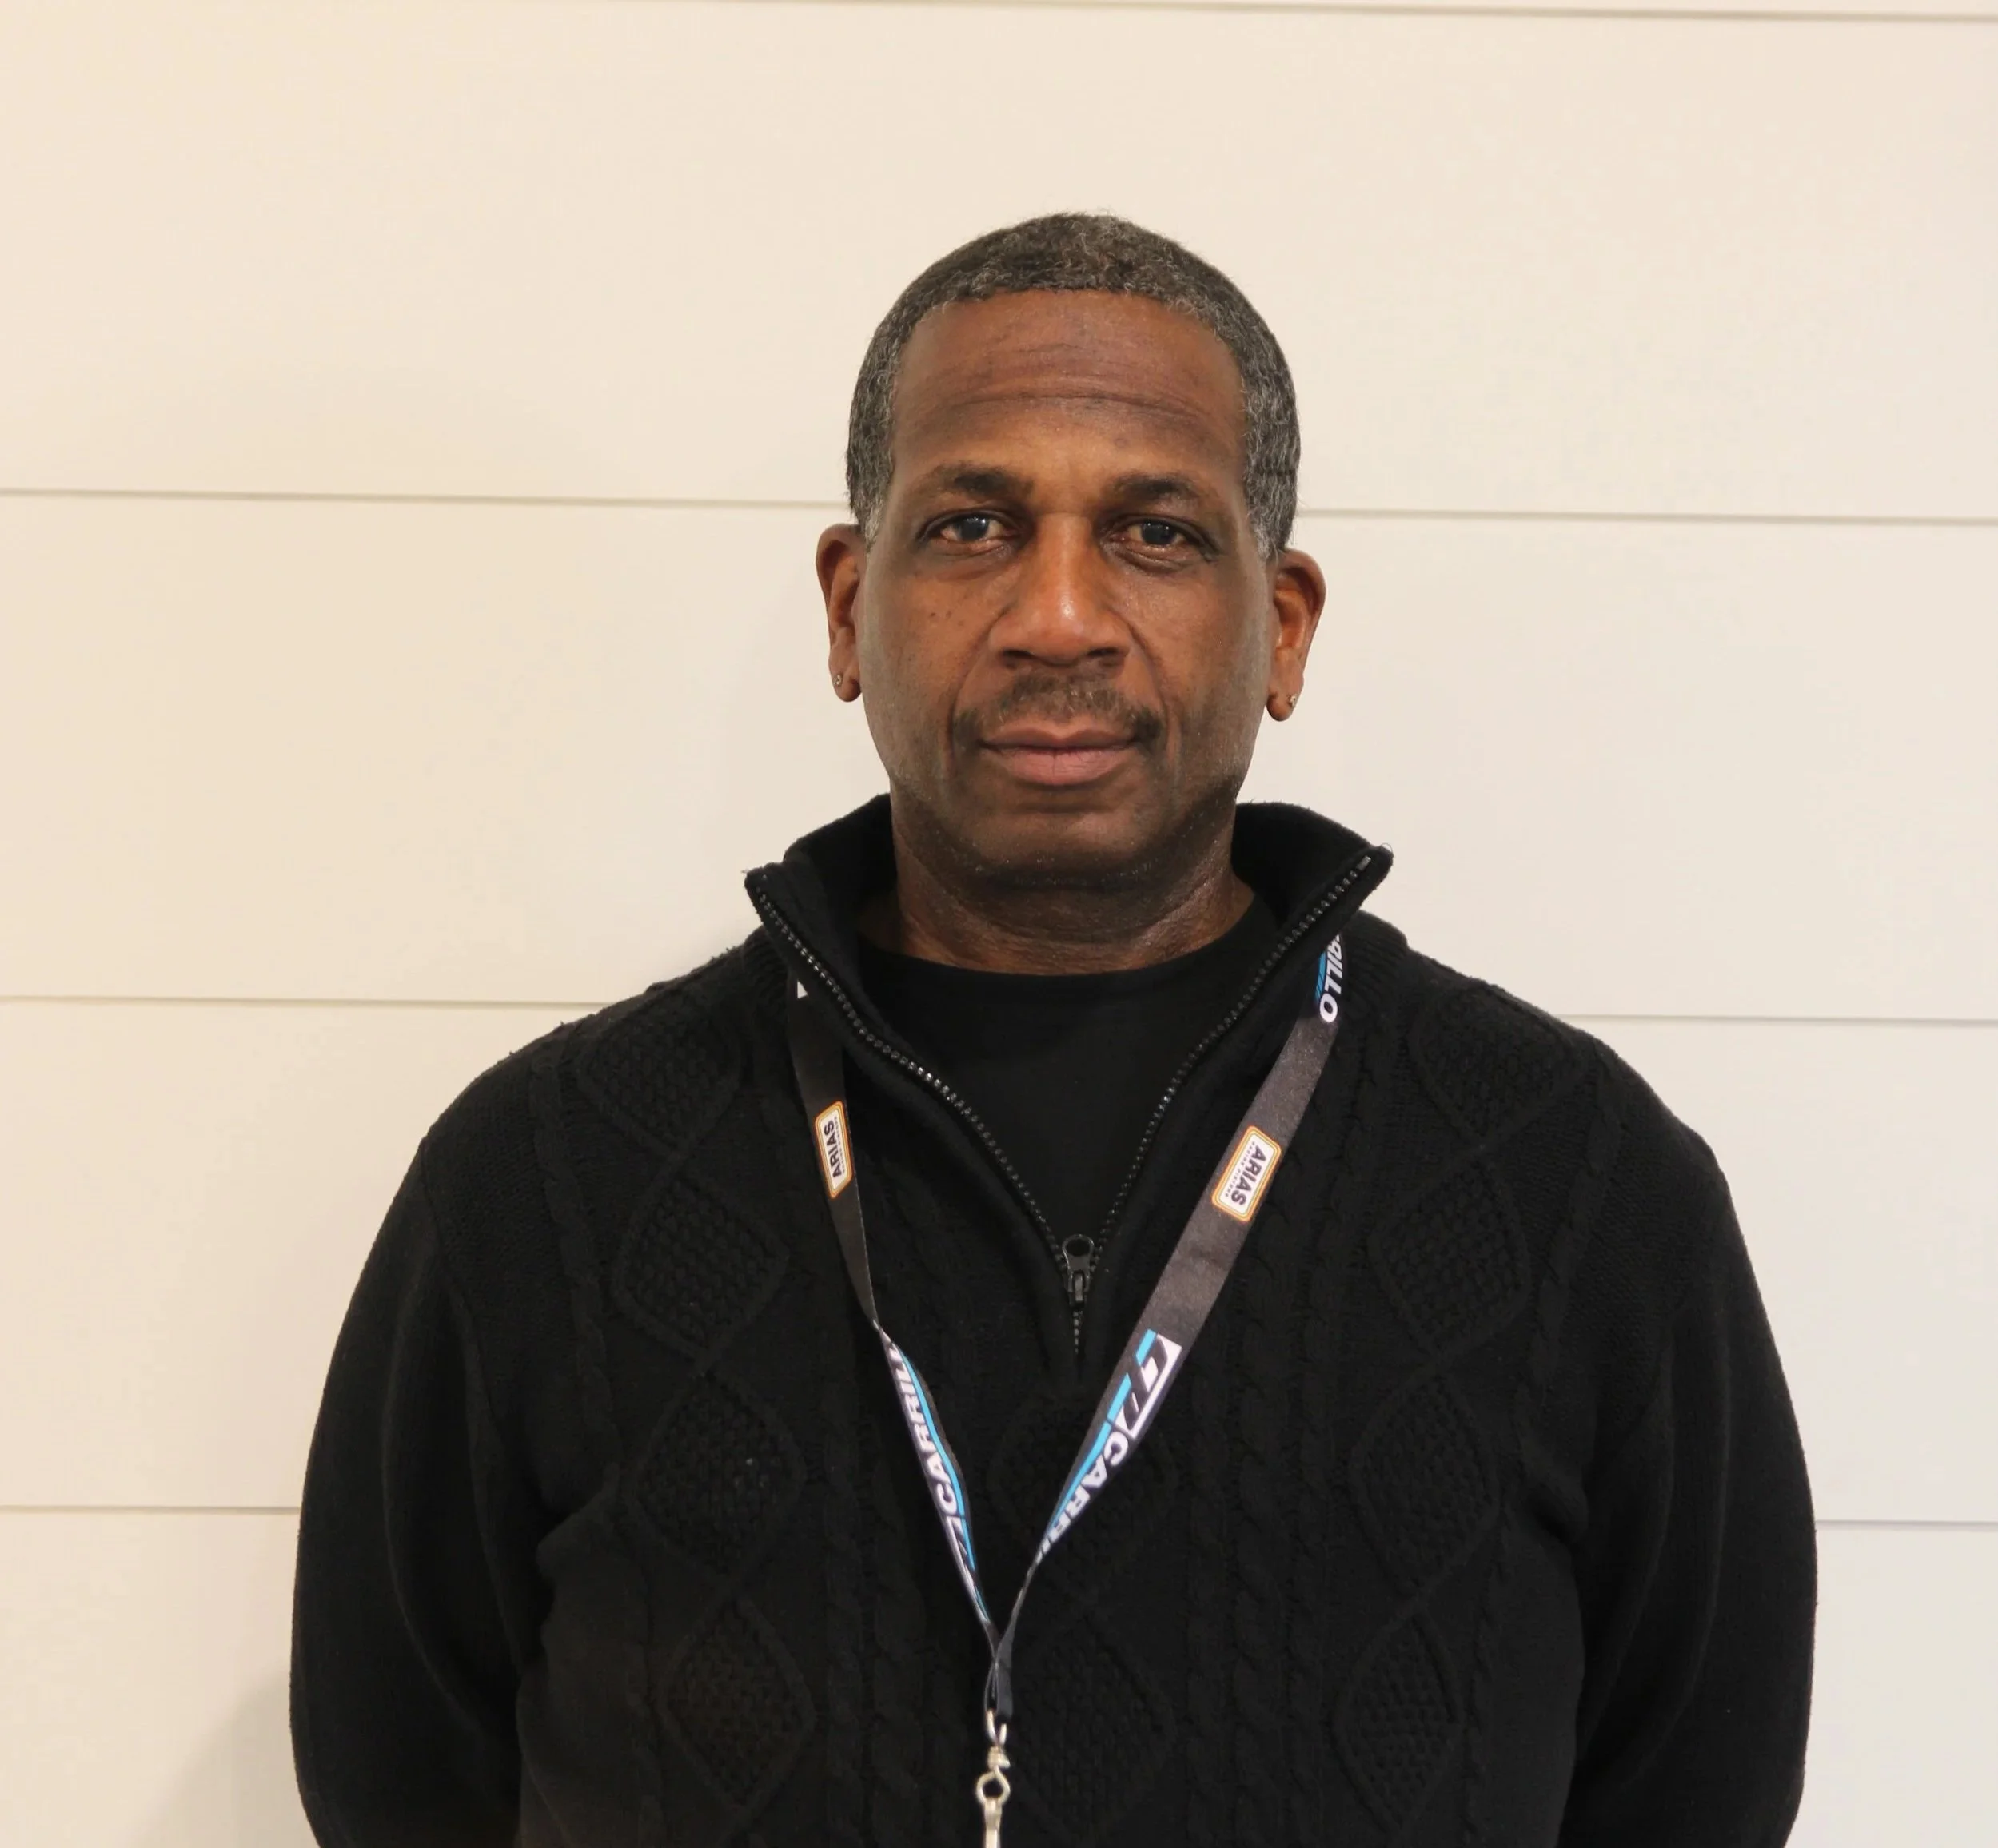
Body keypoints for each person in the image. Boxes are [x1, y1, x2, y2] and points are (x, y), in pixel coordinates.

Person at [291, 213, 1814, 1848]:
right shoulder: (547, 1175)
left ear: (1283, 625)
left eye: (1156, 534)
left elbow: (1694, 1790)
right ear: (848, 606)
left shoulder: (1576, 1182)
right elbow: (401, 1779)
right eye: (972, 527)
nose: (1060, 615)